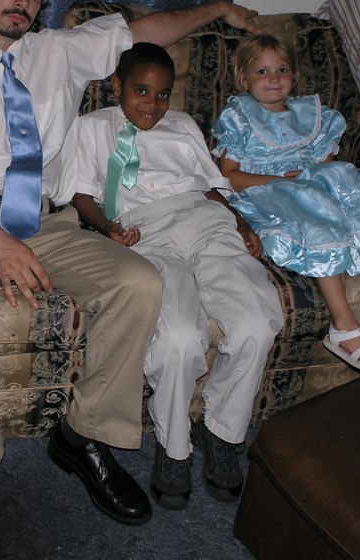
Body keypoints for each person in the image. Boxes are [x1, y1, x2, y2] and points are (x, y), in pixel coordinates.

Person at [0, 0, 264, 545]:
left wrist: (219, 8)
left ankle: (83, 434)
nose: (24, 0)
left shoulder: (58, 52)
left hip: (49, 221)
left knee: (139, 282)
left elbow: (148, 30)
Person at [72, 42, 283, 510]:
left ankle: (223, 429)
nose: (153, 104)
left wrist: (241, 224)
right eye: (141, 91)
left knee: (257, 319)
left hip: (204, 221)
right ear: (117, 86)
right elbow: (82, 194)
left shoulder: (184, 125)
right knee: (179, 337)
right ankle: (174, 445)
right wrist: (108, 227)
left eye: (164, 94)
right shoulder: (90, 128)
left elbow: (210, 187)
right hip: (144, 232)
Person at [212, 34, 360, 374]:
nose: (274, 78)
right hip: (270, 192)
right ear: (244, 79)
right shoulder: (239, 117)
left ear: (295, 76)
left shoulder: (314, 116)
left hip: (316, 185)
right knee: (320, 223)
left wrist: (314, 178)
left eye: (282, 70)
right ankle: (343, 325)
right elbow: (229, 176)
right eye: (262, 71)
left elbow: (325, 166)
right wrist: (282, 180)